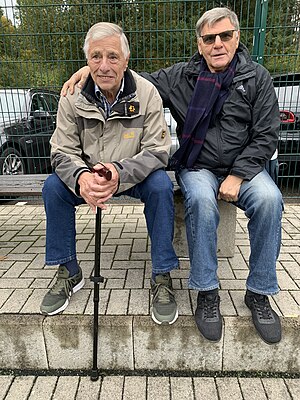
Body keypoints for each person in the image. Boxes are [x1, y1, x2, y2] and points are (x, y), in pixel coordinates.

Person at [62, 8, 283, 344]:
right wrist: (93, 71)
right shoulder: (182, 76)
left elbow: (267, 135)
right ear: (199, 43)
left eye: (225, 36)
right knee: (202, 202)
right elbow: (131, 78)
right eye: (209, 38)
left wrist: (238, 175)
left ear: (237, 38)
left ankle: (259, 292)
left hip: (245, 167)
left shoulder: (258, 78)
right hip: (198, 165)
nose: (218, 44)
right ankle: (207, 292)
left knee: (270, 200)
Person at [40, 22, 179, 326]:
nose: (104, 66)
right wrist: (81, 178)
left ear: (126, 60)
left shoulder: (147, 93)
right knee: (53, 187)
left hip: (132, 173)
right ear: (87, 60)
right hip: (89, 173)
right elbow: (61, 151)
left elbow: (159, 150)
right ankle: (68, 270)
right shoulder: (71, 96)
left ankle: (162, 274)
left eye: (113, 57)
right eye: (96, 57)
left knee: (160, 186)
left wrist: (119, 171)